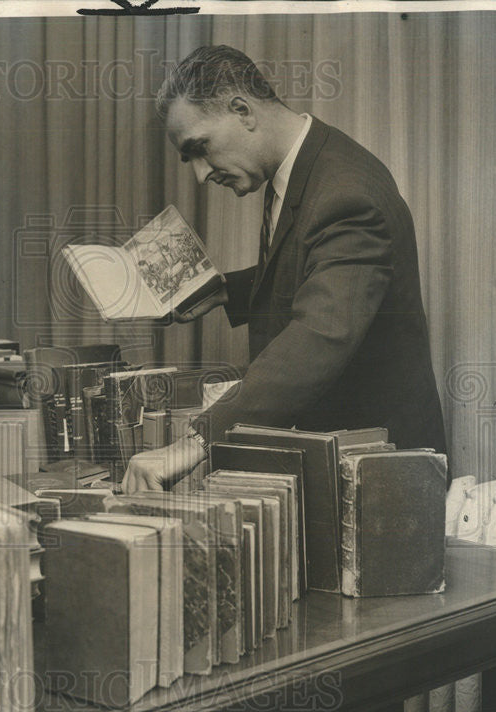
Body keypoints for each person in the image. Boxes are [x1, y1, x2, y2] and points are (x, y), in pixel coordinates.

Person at [122, 45, 447, 493]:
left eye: (200, 149)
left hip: (381, 469)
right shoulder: (304, 167)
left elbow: (317, 338)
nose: (200, 175)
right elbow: (314, 270)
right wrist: (222, 290)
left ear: (242, 110)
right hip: (344, 452)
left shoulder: (346, 193)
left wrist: (191, 444)